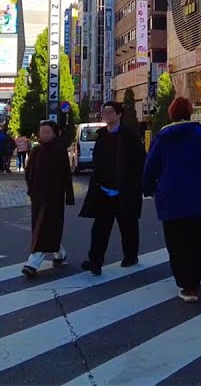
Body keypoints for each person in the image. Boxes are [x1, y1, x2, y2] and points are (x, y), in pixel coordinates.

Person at [144, 97, 201, 303]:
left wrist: (148, 187)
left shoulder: (163, 136)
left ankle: (187, 284)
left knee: (177, 241)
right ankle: (198, 275)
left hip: (171, 195)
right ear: (190, 113)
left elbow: (150, 165)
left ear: (171, 113)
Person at [79, 101, 146, 275]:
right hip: (103, 189)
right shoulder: (101, 134)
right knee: (100, 228)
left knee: (128, 226)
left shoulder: (129, 135)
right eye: (104, 112)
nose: (106, 116)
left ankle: (131, 256)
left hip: (125, 190)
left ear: (118, 114)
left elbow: (140, 160)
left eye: (109, 112)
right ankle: (95, 261)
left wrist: (138, 183)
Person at [22, 121, 75, 277]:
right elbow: (28, 171)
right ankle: (59, 253)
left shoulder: (60, 151)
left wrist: (69, 195)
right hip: (37, 195)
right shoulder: (36, 151)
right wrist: (30, 189)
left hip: (54, 196)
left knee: (45, 227)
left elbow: (67, 175)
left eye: (47, 132)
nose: (44, 135)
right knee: (43, 227)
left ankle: (33, 263)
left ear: (54, 133)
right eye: (42, 132)